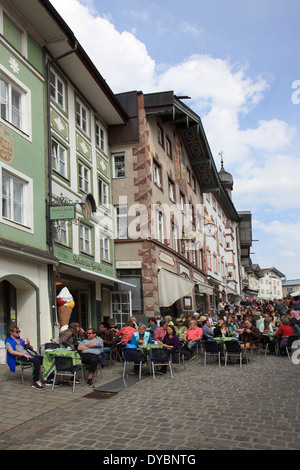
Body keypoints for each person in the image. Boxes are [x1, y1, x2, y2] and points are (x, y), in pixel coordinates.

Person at [5, 325, 46, 390]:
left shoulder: (20, 339)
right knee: (36, 361)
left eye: (19, 331)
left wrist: (28, 344)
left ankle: (47, 378)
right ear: (11, 332)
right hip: (19, 357)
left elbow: (31, 348)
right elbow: (11, 351)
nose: (18, 333)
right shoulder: (8, 341)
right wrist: (23, 354)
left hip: (27, 355)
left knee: (44, 358)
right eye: (17, 332)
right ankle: (35, 381)